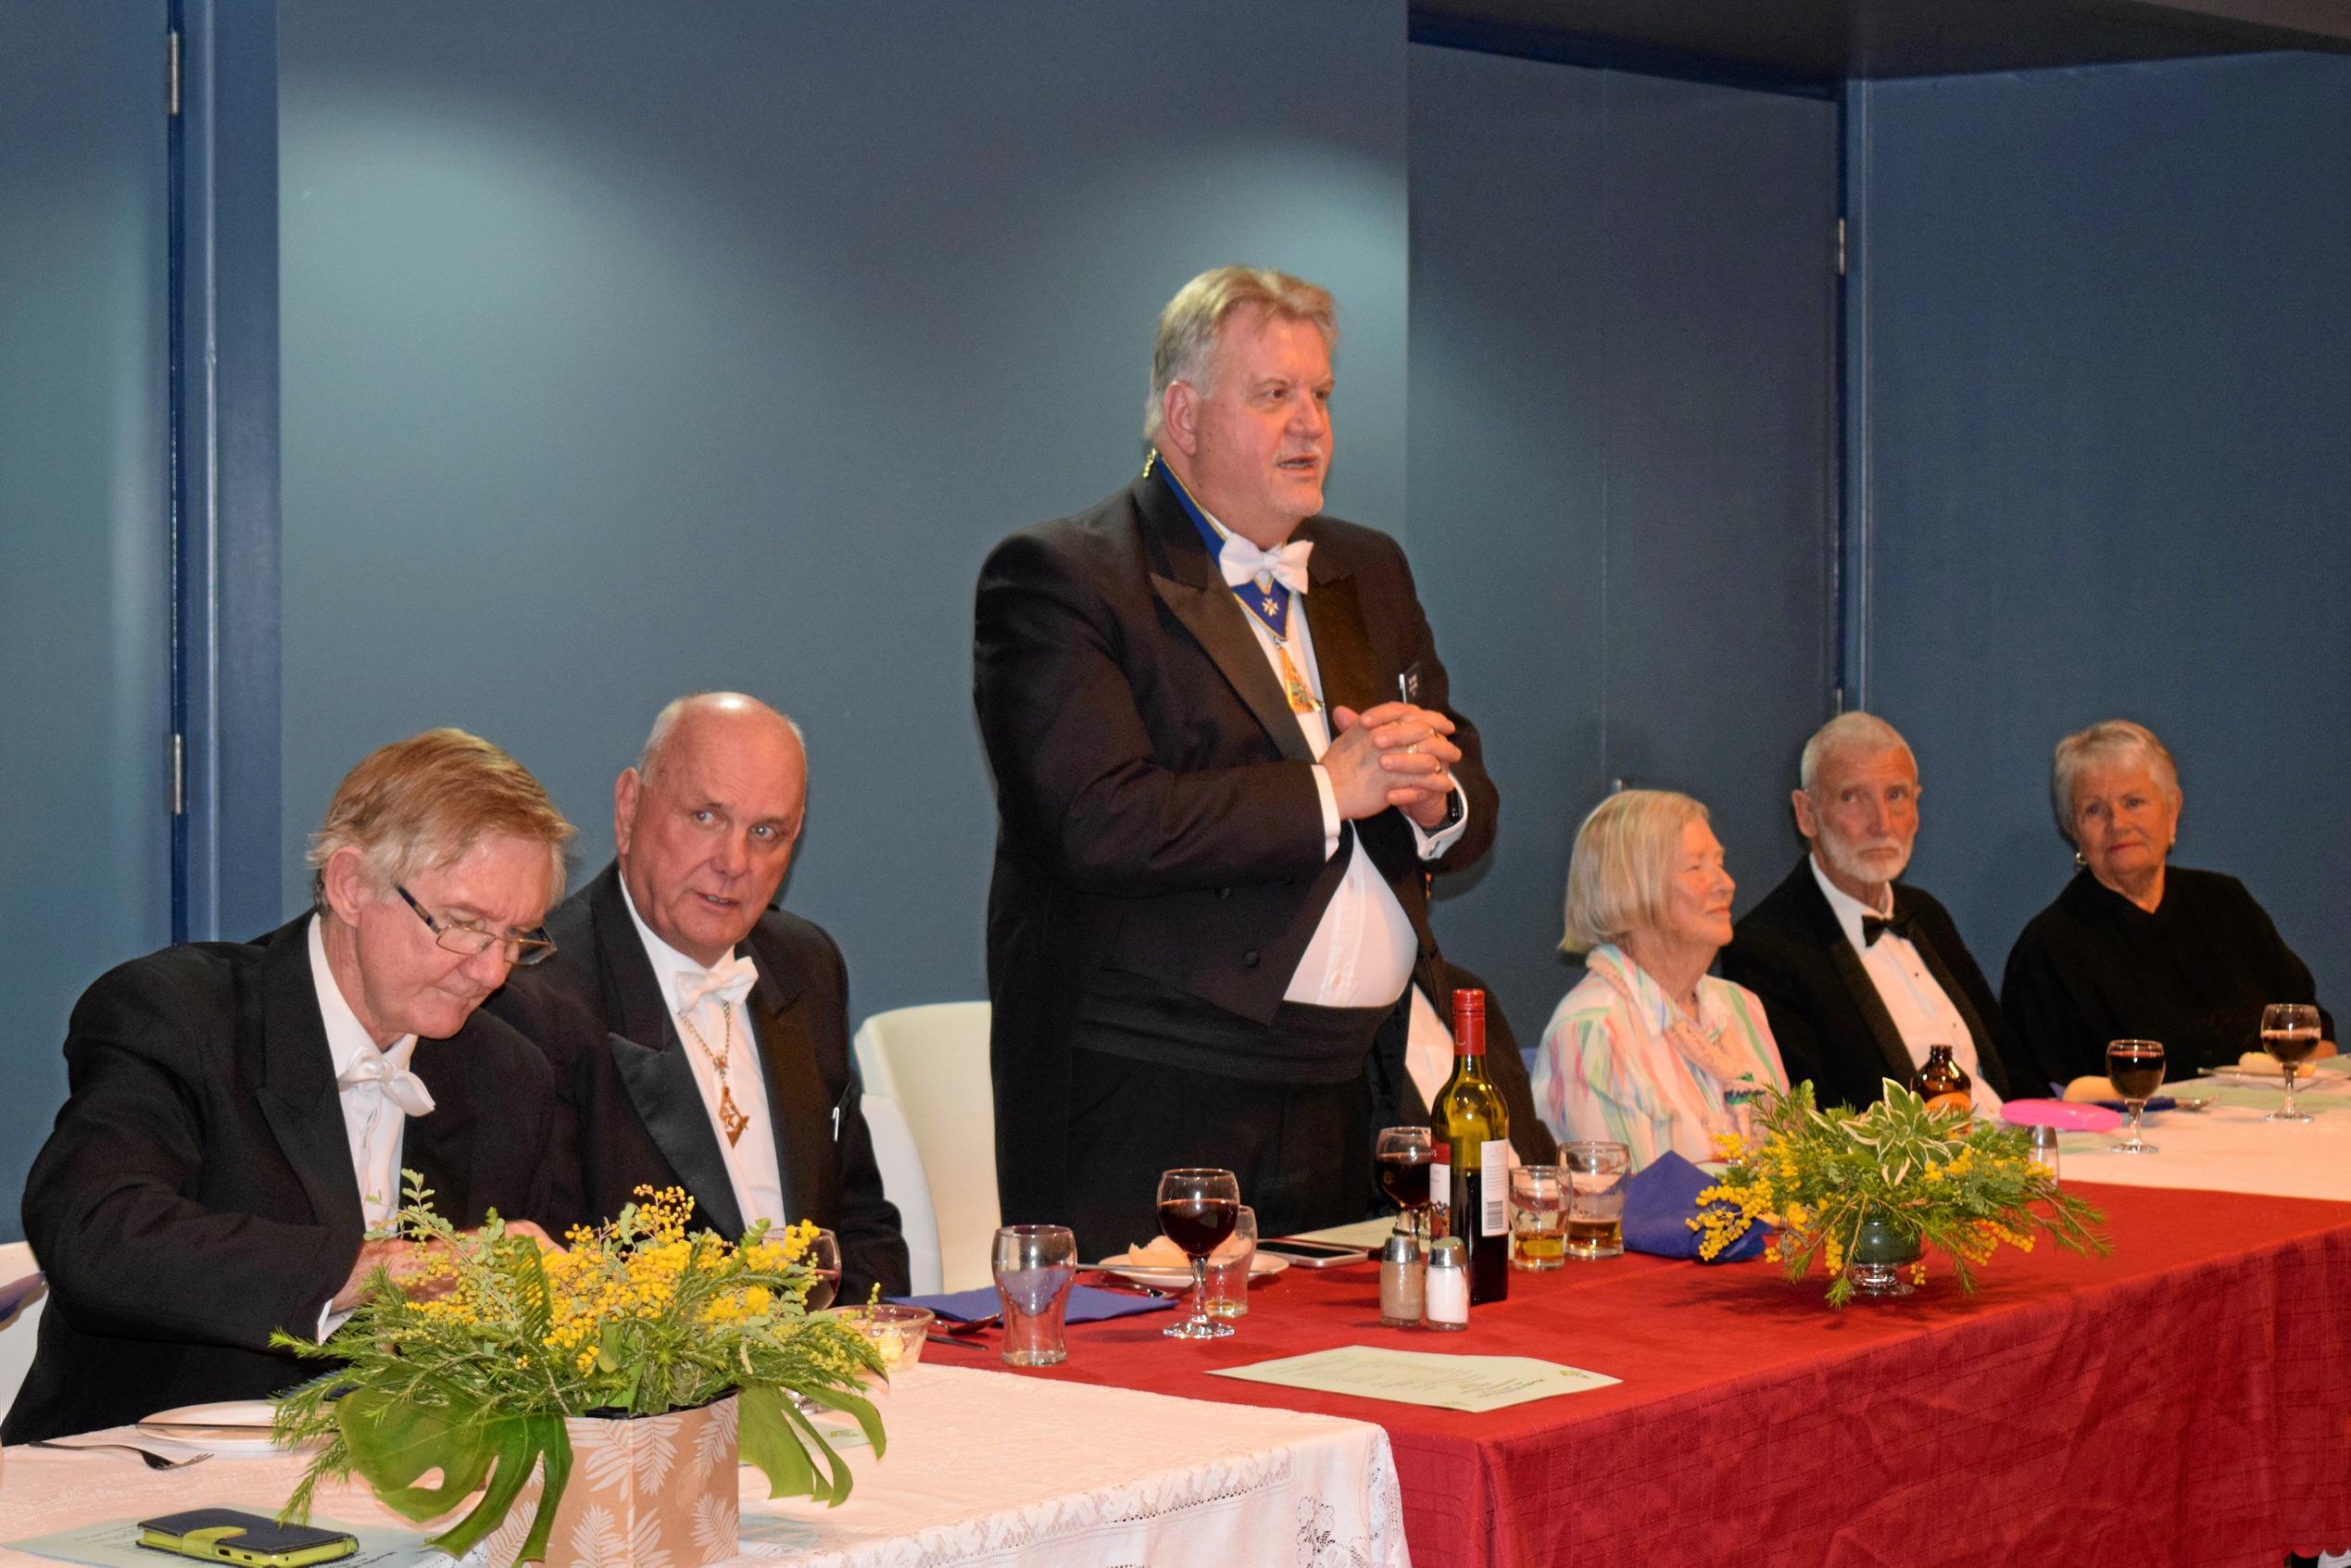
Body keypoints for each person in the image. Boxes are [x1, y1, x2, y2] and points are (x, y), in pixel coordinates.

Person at [974, 265, 1497, 1256]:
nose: (1311, 425)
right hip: (1158, 1098)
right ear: (1184, 414)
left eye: (1322, 396)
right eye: (1274, 396)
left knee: (1347, 1392)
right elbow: (1097, 820)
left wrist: (1438, 801)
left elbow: (1467, 781)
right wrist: (1329, 790)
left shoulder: (1366, 568)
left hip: (1355, 1088)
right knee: (1168, 1403)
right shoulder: (1066, 576)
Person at [6, 730, 573, 1443]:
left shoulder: (506, 1073)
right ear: (350, 885)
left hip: (394, 1495)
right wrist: (377, 1270)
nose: (492, 972)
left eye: (519, 936)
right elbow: (96, 1236)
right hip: (138, 1474)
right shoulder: (179, 1013)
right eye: (463, 925)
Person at [491, 694, 908, 1301]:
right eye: (706, 817)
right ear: (629, 807)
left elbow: (862, 1226)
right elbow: (550, 1283)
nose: (734, 862)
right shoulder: (534, 996)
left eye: (766, 831)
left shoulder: (808, 965)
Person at [1719, 712, 2026, 1113]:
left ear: (1916, 807)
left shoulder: (1926, 914)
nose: (1882, 824)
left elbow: (2011, 1064)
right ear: (1806, 814)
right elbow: (1817, 1122)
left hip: (2008, 1150)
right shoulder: (1767, 946)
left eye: (1895, 796)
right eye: (1852, 798)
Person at [2002, 719, 2332, 1082]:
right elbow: (2047, 1098)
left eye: (2134, 802)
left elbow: (2315, 1036)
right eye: (2094, 810)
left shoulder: (2227, 904)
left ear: (2172, 810)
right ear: (2073, 829)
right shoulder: (2048, 951)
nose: (2119, 823)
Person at [1532, 790, 1786, 1169]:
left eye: (1719, 862)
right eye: (1696, 867)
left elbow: (1798, 1169)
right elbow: (1632, 1211)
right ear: (1631, 887)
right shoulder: (1593, 1031)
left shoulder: (1741, 1006)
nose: (1727, 883)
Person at [1367, 955, 1558, 1169]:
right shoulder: (1342, 1029)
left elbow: (1531, 1140)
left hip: (1513, 1195)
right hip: (1419, 1197)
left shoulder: (1464, 989)